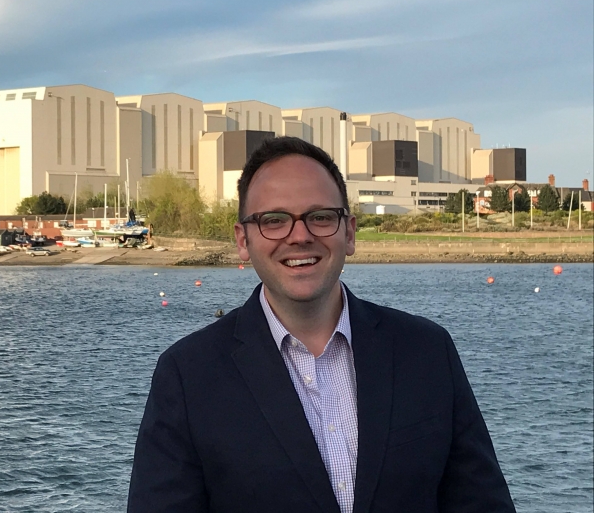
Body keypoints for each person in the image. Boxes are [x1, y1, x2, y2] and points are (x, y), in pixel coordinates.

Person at [128, 136, 515, 512]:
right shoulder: (188, 375)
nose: (300, 236)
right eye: (274, 220)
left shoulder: (427, 351)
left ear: (349, 232)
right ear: (242, 240)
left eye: (320, 217)